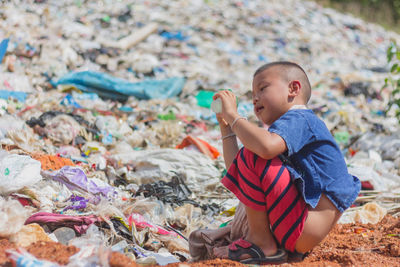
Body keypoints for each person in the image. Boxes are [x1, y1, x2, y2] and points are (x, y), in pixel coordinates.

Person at [212, 61, 361, 264]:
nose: (255, 99)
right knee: (253, 152)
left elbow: (262, 149)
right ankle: (266, 242)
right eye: (253, 93)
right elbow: (237, 171)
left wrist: (233, 114)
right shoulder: (286, 131)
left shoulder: (301, 118)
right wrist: (226, 127)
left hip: (305, 225)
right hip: (300, 228)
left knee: (256, 150)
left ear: (293, 88)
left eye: (262, 88)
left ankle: (261, 243)